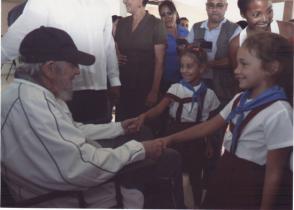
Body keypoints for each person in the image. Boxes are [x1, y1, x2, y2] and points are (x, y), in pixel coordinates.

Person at [1, 26, 185, 208]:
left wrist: (119, 127)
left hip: (61, 183)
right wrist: (139, 150)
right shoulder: (32, 105)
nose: (77, 71)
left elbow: (73, 130)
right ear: (50, 69)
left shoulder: (30, 94)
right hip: (65, 197)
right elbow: (82, 167)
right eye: (73, 64)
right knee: (168, 159)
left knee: (142, 134)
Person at [154, 32, 293, 209]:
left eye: (244, 64)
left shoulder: (279, 113)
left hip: (250, 183)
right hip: (227, 170)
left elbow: (274, 173)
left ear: (272, 68)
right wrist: (170, 139)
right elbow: (208, 126)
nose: (236, 70)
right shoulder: (240, 99)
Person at [1, 0, 120, 124]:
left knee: (99, 132)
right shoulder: (45, 2)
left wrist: (114, 79)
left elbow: (108, 46)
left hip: (98, 87)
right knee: (63, 134)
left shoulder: (102, 6)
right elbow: (16, 38)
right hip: (62, 88)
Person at [133, 46, 220, 207]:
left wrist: (208, 144)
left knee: (195, 174)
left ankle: (195, 204)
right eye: (182, 66)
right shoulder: (176, 88)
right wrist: (144, 116)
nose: (184, 71)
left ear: (201, 68)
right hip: (174, 134)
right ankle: (174, 203)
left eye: (189, 66)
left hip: (197, 138)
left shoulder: (209, 94)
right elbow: (159, 109)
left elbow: (209, 123)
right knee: (173, 171)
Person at [114, 0, 166, 122]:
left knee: (140, 127)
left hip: (144, 87)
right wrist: (116, 56)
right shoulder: (121, 23)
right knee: (121, 125)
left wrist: (154, 91)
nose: (124, 1)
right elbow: (114, 47)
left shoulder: (156, 24)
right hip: (123, 85)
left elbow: (160, 61)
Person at [186, 0, 242, 107]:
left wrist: (207, 64)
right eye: (211, 5)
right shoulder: (196, 27)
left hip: (222, 86)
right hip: (197, 81)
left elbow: (235, 60)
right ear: (206, 7)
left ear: (226, 7)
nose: (215, 9)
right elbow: (187, 53)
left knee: (218, 115)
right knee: (196, 113)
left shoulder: (235, 29)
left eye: (219, 5)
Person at [229, 0, 294, 69]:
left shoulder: (289, 30)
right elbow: (239, 76)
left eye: (269, 11)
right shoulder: (236, 44)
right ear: (242, 14)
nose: (265, 19)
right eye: (256, 14)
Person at [158, 0, 189, 92]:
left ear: (175, 13)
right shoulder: (160, 35)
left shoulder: (186, 32)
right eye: (163, 15)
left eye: (169, 13)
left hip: (186, 79)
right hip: (166, 81)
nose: (167, 17)